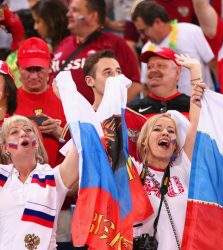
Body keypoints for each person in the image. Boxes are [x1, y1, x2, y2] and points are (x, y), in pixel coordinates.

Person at [132, 54, 204, 250]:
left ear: (174, 144)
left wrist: (195, 71)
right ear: (144, 141)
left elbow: (195, 125)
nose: (165, 133)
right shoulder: (133, 171)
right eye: (157, 129)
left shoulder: (182, 169)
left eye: (170, 131)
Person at [0, 115, 78, 249]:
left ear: (35, 142)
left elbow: (82, 148)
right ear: (5, 148)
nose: (23, 133)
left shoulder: (53, 178)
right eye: (14, 132)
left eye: (29, 130)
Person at [51, 0, 141, 104]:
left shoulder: (114, 43)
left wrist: (108, 111)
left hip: (99, 119)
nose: (68, 14)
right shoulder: (64, 43)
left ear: (93, 15)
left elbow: (135, 84)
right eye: (69, 10)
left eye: (75, 10)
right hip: (61, 117)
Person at [131, 1, 216, 96]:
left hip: (201, 103)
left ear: (157, 22)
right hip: (166, 108)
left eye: (143, 30)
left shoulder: (191, 32)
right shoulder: (146, 48)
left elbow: (214, 64)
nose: (142, 36)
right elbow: (146, 86)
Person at [83, 49, 147, 159]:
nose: (116, 78)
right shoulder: (81, 120)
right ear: (90, 81)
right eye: (108, 73)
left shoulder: (140, 121)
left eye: (118, 72)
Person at [16, 37, 68, 167]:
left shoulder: (66, 100)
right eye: (28, 69)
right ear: (18, 67)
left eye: (38, 69)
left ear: (50, 67)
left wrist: (58, 131)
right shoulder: (7, 102)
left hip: (60, 182)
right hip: (16, 182)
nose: (33, 76)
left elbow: (84, 146)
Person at [127, 47, 190, 118]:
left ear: (177, 72)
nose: (153, 70)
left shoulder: (192, 106)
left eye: (160, 66)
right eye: (149, 67)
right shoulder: (131, 110)